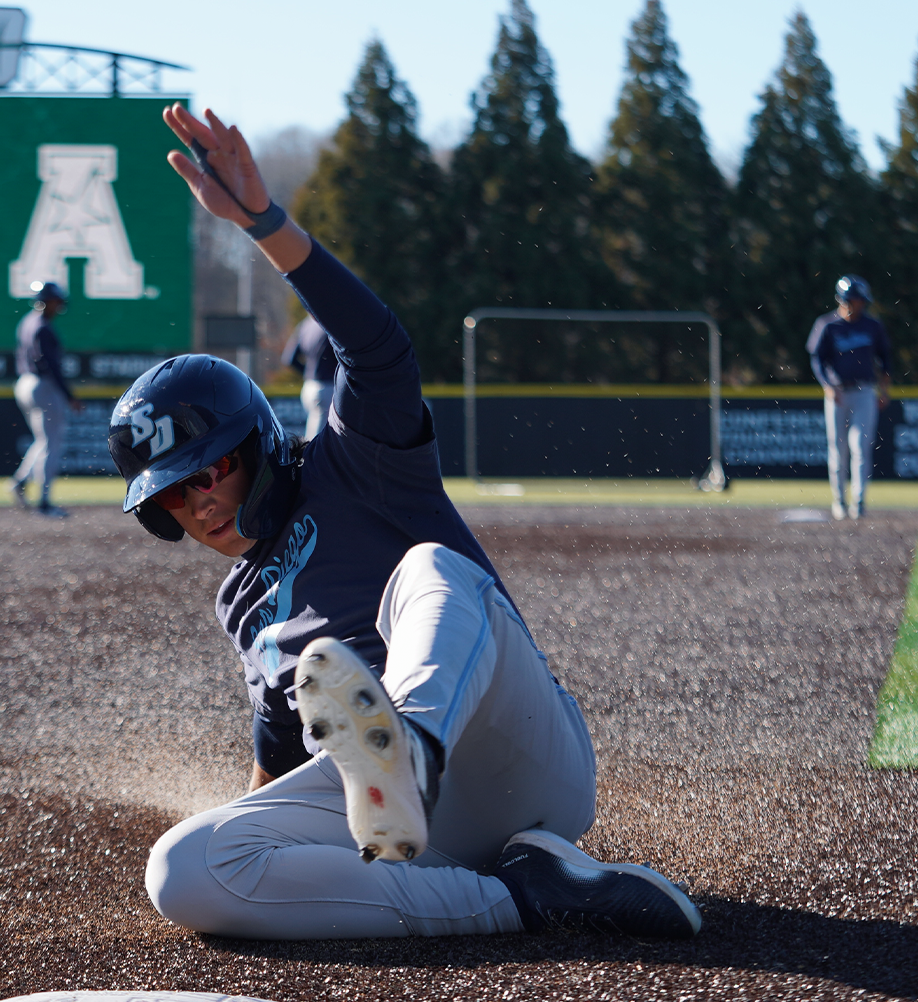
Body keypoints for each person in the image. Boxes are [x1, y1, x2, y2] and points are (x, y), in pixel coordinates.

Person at [105, 103, 702, 942]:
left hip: (514, 758)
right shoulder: (240, 607)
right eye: (169, 497)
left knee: (432, 567)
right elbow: (276, 755)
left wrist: (266, 225)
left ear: (257, 443)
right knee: (182, 868)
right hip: (398, 826)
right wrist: (250, 836)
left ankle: (412, 745)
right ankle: (522, 896)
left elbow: (378, 347)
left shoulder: (356, 457)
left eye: (204, 471)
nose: (196, 501)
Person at [806, 276, 893, 520]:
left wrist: (884, 389)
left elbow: (885, 358)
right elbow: (817, 359)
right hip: (838, 392)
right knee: (838, 448)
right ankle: (839, 501)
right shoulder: (827, 324)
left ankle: (859, 501)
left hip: (865, 391)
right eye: (856, 300)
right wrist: (827, 385)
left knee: (861, 446)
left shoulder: (872, 325)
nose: (860, 305)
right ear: (843, 300)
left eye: (862, 301)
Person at [8, 280, 83, 518]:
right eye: (54, 300)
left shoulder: (27, 322)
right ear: (46, 301)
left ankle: (19, 482)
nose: (57, 305)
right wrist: (69, 396)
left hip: (24, 383)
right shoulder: (43, 327)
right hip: (43, 385)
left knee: (43, 440)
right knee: (53, 443)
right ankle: (44, 502)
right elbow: (51, 366)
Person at [281, 314, 339, 440]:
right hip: (326, 388)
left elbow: (289, 359)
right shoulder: (330, 324)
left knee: (318, 439)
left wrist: (309, 373)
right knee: (316, 442)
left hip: (309, 387)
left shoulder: (305, 324)